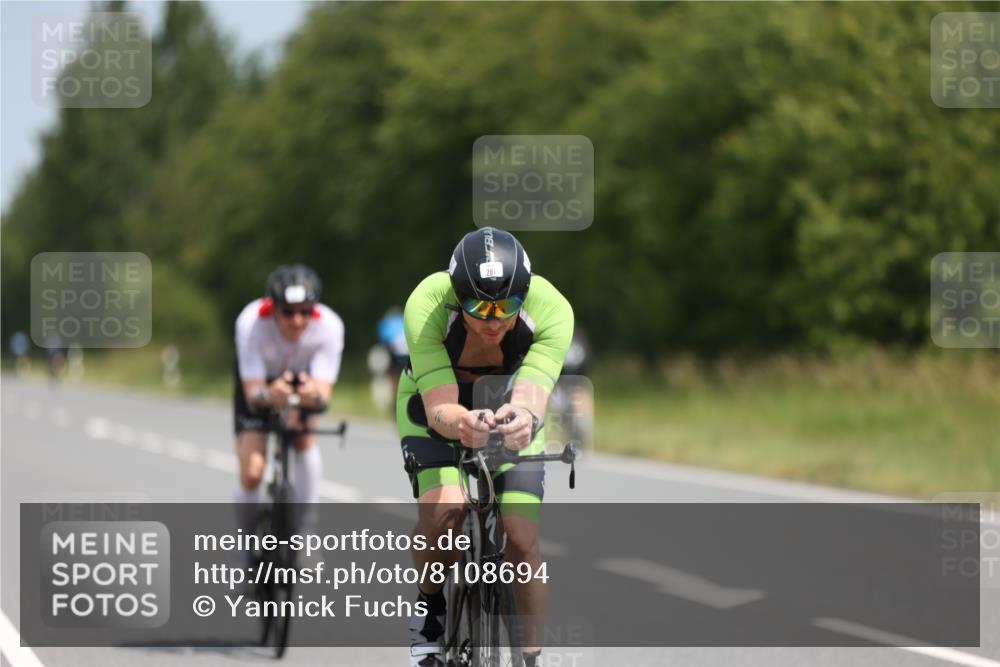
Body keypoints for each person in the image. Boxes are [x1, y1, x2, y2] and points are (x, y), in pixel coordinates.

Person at [398, 227, 573, 667]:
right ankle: (430, 611)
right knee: (445, 512)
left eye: (506, 306)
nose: (493, 320)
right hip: (435, 401)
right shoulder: (429, 303)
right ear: (458, 297)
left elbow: (533, 394)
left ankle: (531, 658)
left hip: (508, 400)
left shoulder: (552, 309)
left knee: (522, 537)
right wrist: (462, 423)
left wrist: (525, 419)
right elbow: (440, 409)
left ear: (525, 295)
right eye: (479, 307)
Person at [232, 264, 344, 538]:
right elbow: (252, 393)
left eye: (306, 311)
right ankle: (242, 553)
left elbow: (323, 396)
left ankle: (306, 532)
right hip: (259, 382)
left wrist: (311, 397)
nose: (297, 320)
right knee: (253, 473)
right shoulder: (251, 323)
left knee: (303, 439)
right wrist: (270, 396)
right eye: (288, 312)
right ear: (273, 308)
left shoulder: (329, 326)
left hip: (302, 378)